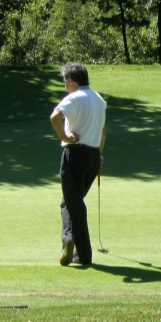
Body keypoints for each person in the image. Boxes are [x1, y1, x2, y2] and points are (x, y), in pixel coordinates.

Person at [50, 63, 106, 267]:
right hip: (92, 156)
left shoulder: (74, 98)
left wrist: (65, 136)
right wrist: (99, 155)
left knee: (74, 204)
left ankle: (82, 253)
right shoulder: (99, 99)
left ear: (72, 81)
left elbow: (55, 117)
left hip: (74, 154)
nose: (65, 86)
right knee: (69, 202)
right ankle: (70, 240)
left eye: (66, 82)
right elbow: (103, 131)